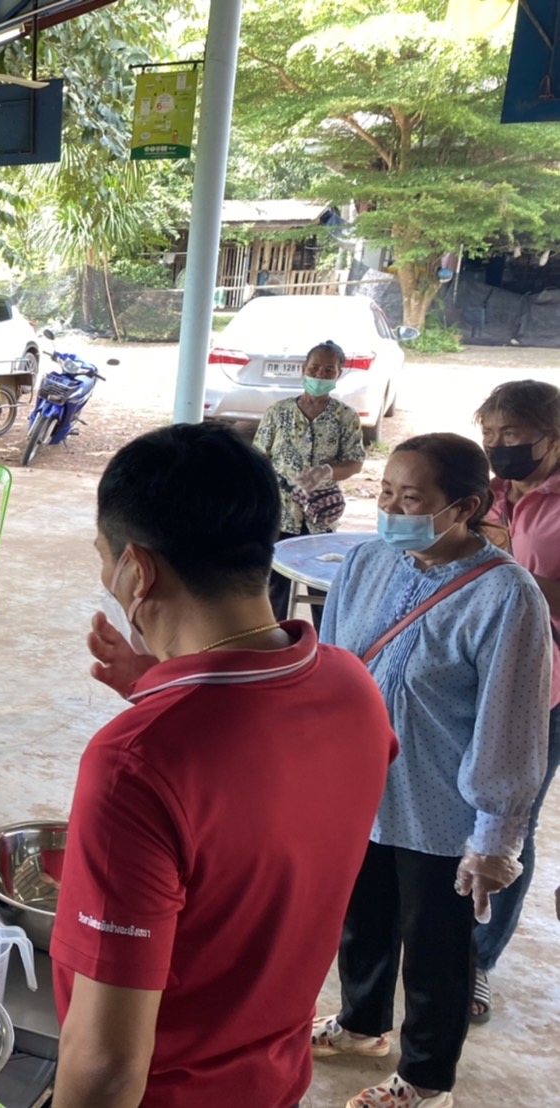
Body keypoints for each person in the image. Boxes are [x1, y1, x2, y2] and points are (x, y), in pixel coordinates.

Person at [52, 423, 397, 1108]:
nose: (104, 576)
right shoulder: (352, 688)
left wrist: (169, 718)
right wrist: (165, 686)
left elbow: (108, 1067)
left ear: (137, 570)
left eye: (104, 556)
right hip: (275, 1082)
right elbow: (267, 773)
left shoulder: (134, 765)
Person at [312, 433, 551, 1108]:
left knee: (437, 950)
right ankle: (360, 1026)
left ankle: (425, 1081)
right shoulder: (365, 563)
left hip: (443, 808)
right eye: (385, 492)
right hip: (364, 793)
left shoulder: (506, 597)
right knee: (362, 917)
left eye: (410, 498)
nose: (391, 507)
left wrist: (495, 837)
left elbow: (510, 724)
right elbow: (333, 671)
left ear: (465, 506)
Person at [469, 381, 560, 1021]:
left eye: (514, 435)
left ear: (552, 438)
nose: (501, 447)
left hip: (553, 686)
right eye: (492, 434)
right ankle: (457, 945)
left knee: (512, 829)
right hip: (497, 678)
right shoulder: (492, 494)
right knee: (484, 818)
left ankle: (477, 960)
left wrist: (521, 588)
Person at [252, 340, 366, 624]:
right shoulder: (279, 413)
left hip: (320, 516)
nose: (320, 375)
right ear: (303, 370)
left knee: (322, 587)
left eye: (329, 370)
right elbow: (257, 458)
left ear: (338, 375)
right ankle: (275, 646)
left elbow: (355, 461)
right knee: (274, 586)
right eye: (314, 368)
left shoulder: (345, 417)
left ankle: (324, 648)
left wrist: (326, 472)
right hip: (279, 514)